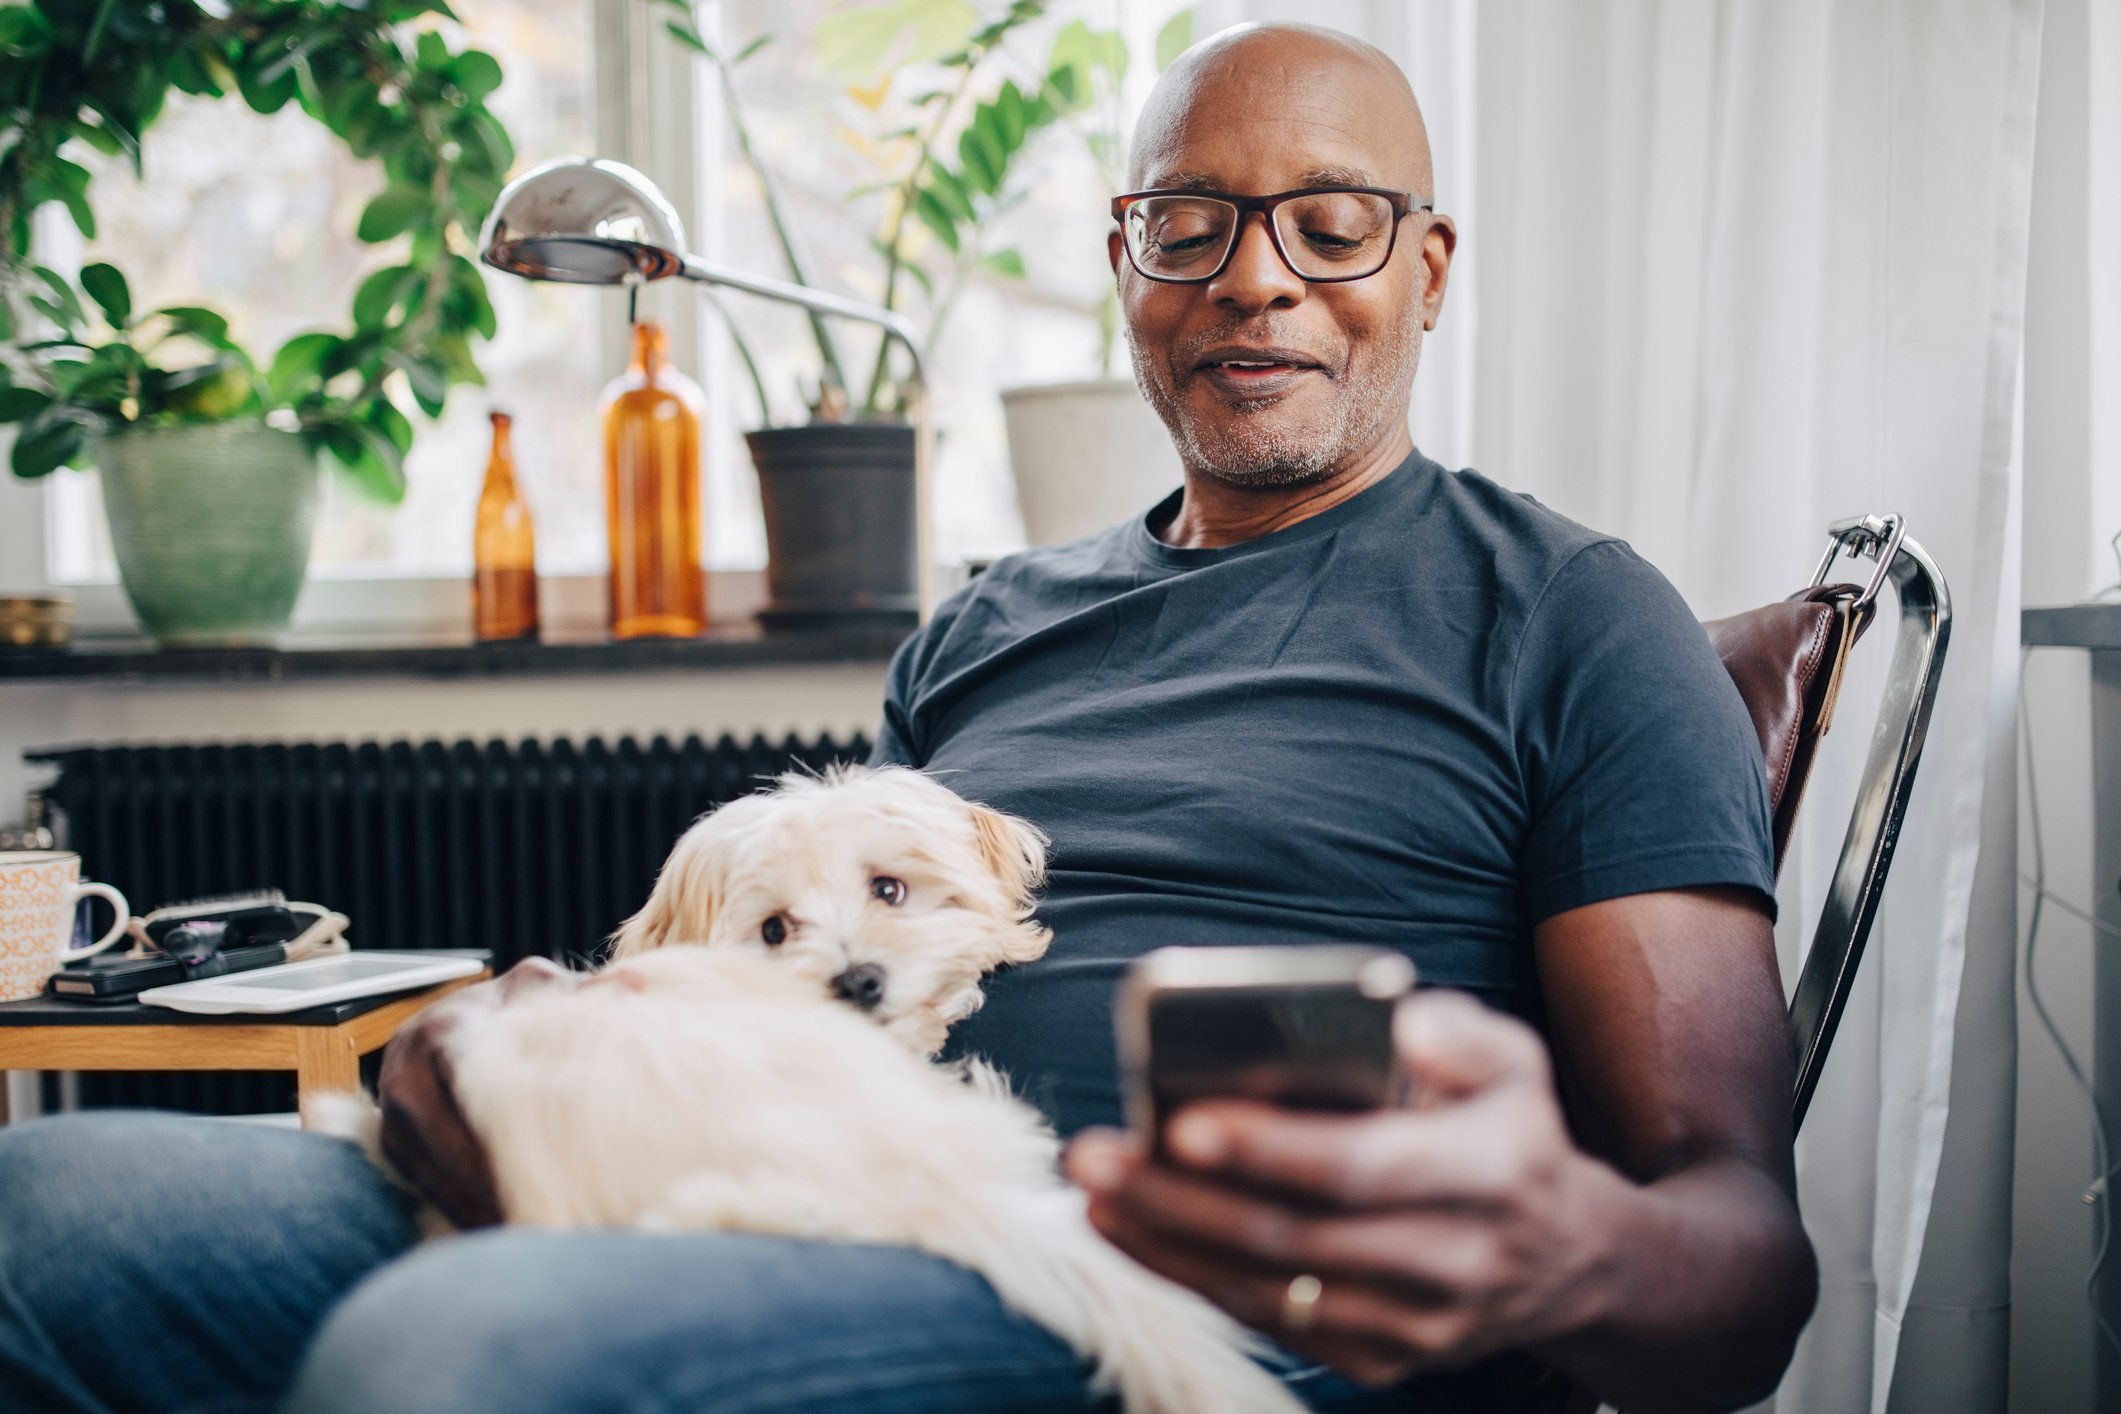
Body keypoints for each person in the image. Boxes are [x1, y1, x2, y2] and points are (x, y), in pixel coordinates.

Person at [0, 22, 1815, 1414]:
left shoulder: (1574, 617)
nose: (1253, 276)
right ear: (1125, 263)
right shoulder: (983, 629)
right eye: (1190, 222)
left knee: (460, 1350)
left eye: (1330, 225)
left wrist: (1556, 1246)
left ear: (1425, 268)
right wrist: (537, 1040)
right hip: (763, 1180)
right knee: (41, 1213)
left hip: (1141, 1294)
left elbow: (1741, 1259)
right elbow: (816, 964)